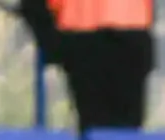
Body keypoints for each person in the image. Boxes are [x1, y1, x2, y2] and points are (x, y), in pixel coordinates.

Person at [12, 0, 156, 131]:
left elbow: (33, 6)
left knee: (96, 127)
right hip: (131, 28)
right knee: (125, 130)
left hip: (82, 31)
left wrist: (51, 41)